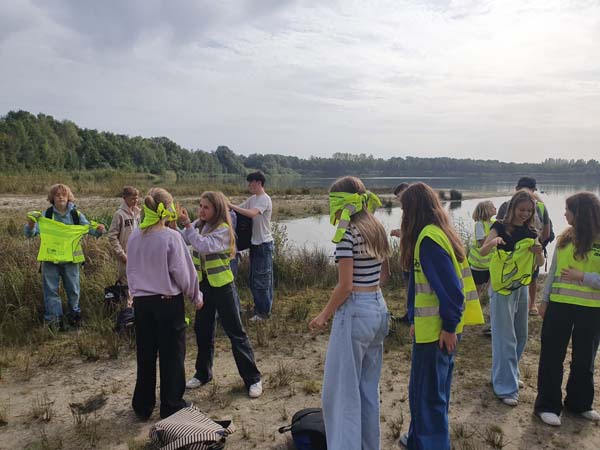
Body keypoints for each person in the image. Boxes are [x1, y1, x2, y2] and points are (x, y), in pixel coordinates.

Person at [397, 183, 483, 450]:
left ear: (413, 209)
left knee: (427, 396)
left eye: (403, 208)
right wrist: (414, 319)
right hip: (433, 329)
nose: (402, 214)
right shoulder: (438, 232)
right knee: (430, 392)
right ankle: (418, 439)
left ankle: (430, 444)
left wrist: (447, 328)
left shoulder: (429, 240)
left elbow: (453, 292)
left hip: (437, 333)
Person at [309, 176, 390, 450]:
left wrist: (324, 314)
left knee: (342, 394)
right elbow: (384, 273)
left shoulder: (347, 232)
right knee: (368, 389)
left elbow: (344, 286)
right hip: (378, 308)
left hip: (355, 311)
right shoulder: (376, 227)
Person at [126, 188, 203, 420]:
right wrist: (196, 297)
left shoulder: (134, 236)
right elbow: (183, 272)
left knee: (146, 354)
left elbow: (131, 271)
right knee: (172, 354)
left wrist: (134, 295)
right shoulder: (171, 237)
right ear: (166, 210)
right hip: (167, 303)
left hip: (141, 304)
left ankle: (143, 405)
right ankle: (171, 405)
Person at [179, 191, 262, 398]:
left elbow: (203, 246)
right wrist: (173, 225)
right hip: (204, 287)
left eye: (206, 207)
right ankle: (203, 374)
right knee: (203, 331)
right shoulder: (199, 224)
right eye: (200, 205)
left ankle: (253, 379)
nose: (201, 210)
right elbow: (182, 240)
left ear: (217, 210)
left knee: (236, 333)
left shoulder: (224, 229)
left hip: (223, 287)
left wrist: (188, 225)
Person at [534, 192, 600, 426]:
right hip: (559, 307)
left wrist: (583, 276)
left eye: (568, 209)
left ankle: (579, 403)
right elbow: (552, 272)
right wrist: (544, 300)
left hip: (592, 309)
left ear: (581, 213)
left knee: (584, 359)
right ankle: (547, 406)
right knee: (552, 356)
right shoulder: (564, 238)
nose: (564, 213)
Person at [479, 189, 545, 407]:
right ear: (513, 207)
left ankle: (507, 375)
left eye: (529, 210)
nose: (525, 214)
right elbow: (483, 252)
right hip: (501, 289)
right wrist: (494, 241)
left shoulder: (531, 231)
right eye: (521, 209)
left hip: (521, 287)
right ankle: (505, 386)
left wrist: (538, 252)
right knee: (504, 337)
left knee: (520, 335)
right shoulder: (499, 226)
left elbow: (539, 264)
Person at [24, 183, 105, 329]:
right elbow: (31, 233)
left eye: (64, 194)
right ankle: (54, 322)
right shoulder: (46, 215)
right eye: (57, 195)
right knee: (50, 291)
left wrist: (100, 229)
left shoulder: (76, 215)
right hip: (50, 260)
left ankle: (74, 317)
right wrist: (30, 225)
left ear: (69, 197)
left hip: (71, 261)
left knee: (73, 289)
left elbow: (91, 230)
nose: (61, 197)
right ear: (52, 198)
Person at [496, 177, 551, 315]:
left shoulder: (507, 205)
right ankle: (530, 305)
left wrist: (537, 248)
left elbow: (546, 231)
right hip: (526, 250)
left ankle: (526, 306)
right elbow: (546, 231)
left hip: (519, 251)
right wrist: (538, 245)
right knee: (530, 277)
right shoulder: (540, 206)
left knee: (522, 278)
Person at [228, 171, 274, 321]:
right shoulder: (253, 198)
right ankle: (261, 309)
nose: (249, 186)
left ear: (259, 183)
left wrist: (230, 204)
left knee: (261, 280)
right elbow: (238, 210)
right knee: (256, 279)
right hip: (255, 244)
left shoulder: (264, 199)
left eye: (251, 183)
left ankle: (263, 313)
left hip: (263, 244)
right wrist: (227, 207)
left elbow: (252, 213)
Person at [108, 186, 140, 303]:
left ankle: (136, 311)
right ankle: (126, 313)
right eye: (132, 199)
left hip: (137, 254)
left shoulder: (138, 213)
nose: (135, 201)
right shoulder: (119, 214)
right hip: (125, 256)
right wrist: (121, 254)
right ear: (124, 198)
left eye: (137, 198)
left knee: (138, 285)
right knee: (126, 287)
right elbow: (112, 236)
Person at [467, 200, 496, 300]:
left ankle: (485, 300)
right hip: (478, 264)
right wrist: (494, 238)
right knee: (477, 287)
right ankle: (475, 303)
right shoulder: (480, 225)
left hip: (490, 264)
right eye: (492, 207)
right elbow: (483, 242)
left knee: (489, 286)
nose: (495, 208)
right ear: (486, 211)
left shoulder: (494, 223)